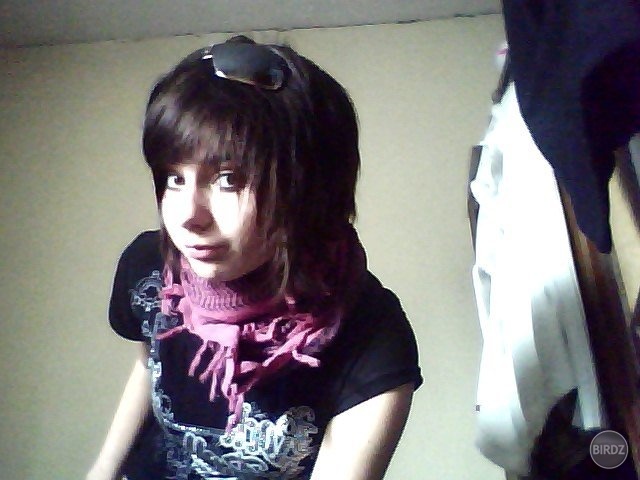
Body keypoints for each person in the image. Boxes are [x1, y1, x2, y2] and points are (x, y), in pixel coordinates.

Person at [87, 36, 422, 480]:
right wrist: (102, 471)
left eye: (228, 179)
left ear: (310, 188)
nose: (188, 217)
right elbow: (151, 363)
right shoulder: (151, 266)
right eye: (173, 178)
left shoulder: (371, 331)